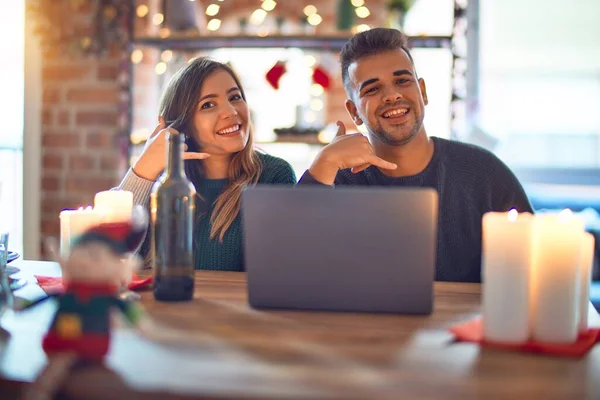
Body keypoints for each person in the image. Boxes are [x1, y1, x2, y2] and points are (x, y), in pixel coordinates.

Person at [298, 28, 533, 283]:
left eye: (402, 81)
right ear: (354, 112)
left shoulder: (484, 172)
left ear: (422, 91)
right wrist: (324, 163)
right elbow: (293, 268)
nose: (392, 95)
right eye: (372, 89)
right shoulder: (336, 181)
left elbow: (534, 268)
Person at [117, 57, 297, 271]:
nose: (231, 112)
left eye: (235, 97)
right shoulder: (161, 186)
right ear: (182, 124)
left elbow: (280, 272)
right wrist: (143, 170)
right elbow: (107, 257)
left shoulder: (273, 175)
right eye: (208, 105)